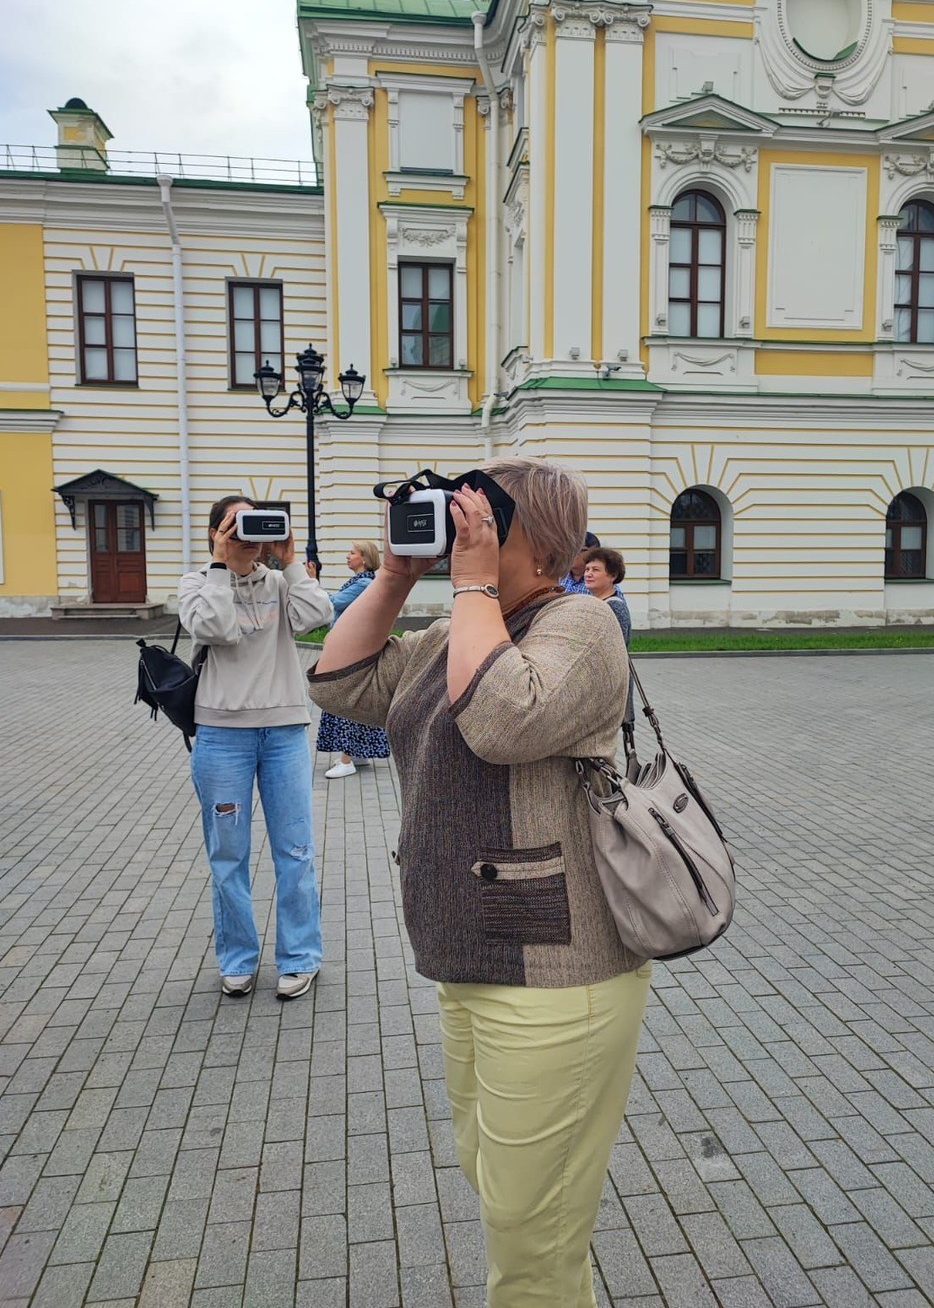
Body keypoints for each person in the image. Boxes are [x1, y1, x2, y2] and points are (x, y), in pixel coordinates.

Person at [308, 457, 650, 1307]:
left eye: (481, 513)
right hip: (466, 956)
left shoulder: (581, 623)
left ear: (535, 534)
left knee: (531, 1240)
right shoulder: (458, 628)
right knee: (507, 1192)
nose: (465, 524)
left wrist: (466, 588)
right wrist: (396, 574)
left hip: (556, 971)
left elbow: (502, 720)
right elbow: (342, 684)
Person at [178, 495, 331, 1001]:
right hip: (222, 737)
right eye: (236, 525)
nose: (248, 533)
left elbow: (317, 616)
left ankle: (300, 957)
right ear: (217, 531)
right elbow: (214, 629)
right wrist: (223, 565)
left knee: (296, 851)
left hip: (284, 732)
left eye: (254, 523)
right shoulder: (198, 583)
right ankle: (238, 959)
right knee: (228, 854)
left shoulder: (281, 583)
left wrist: (289, 562)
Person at [312, 541, 391, 779]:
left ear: (364, 559)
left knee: (344, 700)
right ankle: (357, 754)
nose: (348, 557)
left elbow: (334, 603)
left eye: (352, 553)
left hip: (350, 651)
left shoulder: (364, 584)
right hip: (353, 648)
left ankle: (347, 760)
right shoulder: (363, 582)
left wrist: (311, 584)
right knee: (358, 702)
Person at [584, 546, 633, 727]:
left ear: (612, 575)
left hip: (608, 688)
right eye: (587, 569)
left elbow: (615, 653)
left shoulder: (615, 607)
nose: (588, 574)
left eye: (595, 570)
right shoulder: (595, 604)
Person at [560, 529, 602, 594]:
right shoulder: (559, 577)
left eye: (581, 550)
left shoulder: (602, 584)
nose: (572, 554)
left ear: (594, 554)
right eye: (569, 549)